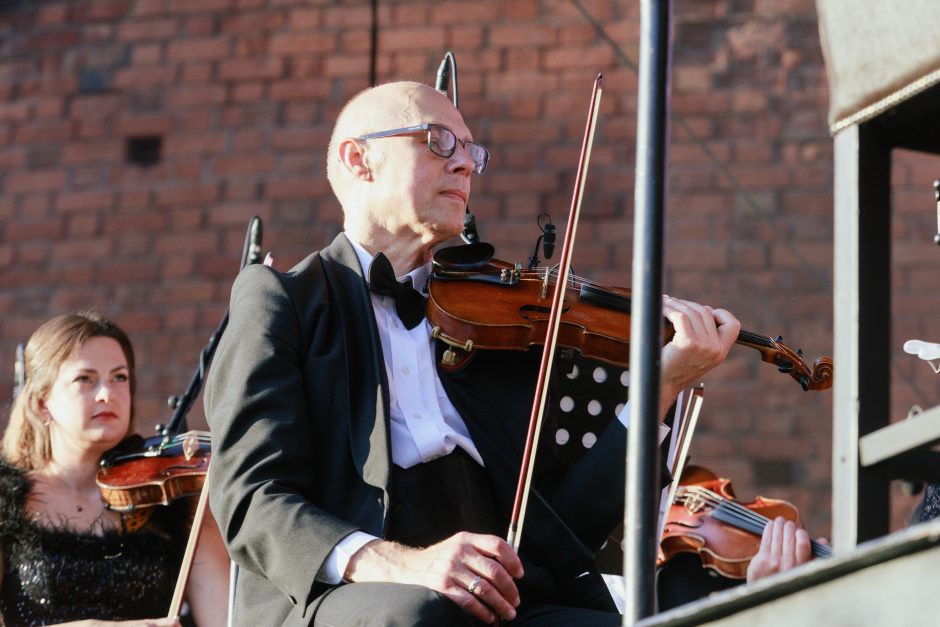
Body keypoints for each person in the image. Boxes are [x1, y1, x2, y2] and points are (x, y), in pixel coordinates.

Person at [204, 80, 744, 626]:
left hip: (501, 598)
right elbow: (252, 500)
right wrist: (399, 564)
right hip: (346, 597)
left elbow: (567, 526)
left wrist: (662, 384)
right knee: (421, 616)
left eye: (470, 150)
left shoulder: (486, 318)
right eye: (439, 142)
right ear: (359, 160)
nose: (464, 164)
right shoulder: (283, 300)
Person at [0, 312, 230, 626]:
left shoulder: (173, 503)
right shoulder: (6, 502)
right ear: (42, 404)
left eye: (119, 377)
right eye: (85, 379)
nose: (107, 394)